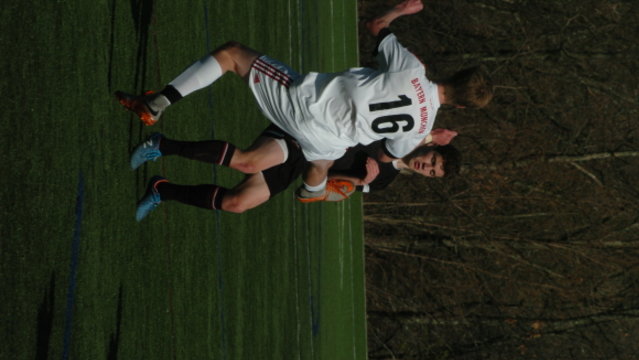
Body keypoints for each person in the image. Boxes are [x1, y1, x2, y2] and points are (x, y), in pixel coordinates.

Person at [115, 0, 492, 202]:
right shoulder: (421, 130)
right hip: (327, 141)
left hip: (306, 104)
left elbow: (375, 25)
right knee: (304, 167)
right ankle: (313, 190)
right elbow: (385, 155)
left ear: (454, 75)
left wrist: (399, 10)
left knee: (231, 55)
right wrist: (421, 136)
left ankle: (157, 104)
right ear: (459, 106)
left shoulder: (411, 68)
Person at [130, 127, 461, 221]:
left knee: (237, 203)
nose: (427, 167)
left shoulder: (385, 181)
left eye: (432, 173)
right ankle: (161, 144)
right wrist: (427, 135)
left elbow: (330, 191)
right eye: (433, 160)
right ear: (431, 147)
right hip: (300, 137)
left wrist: (359, 182)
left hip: (300, 166)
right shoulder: (398, 135)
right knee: (248, 162)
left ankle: (161, 190)